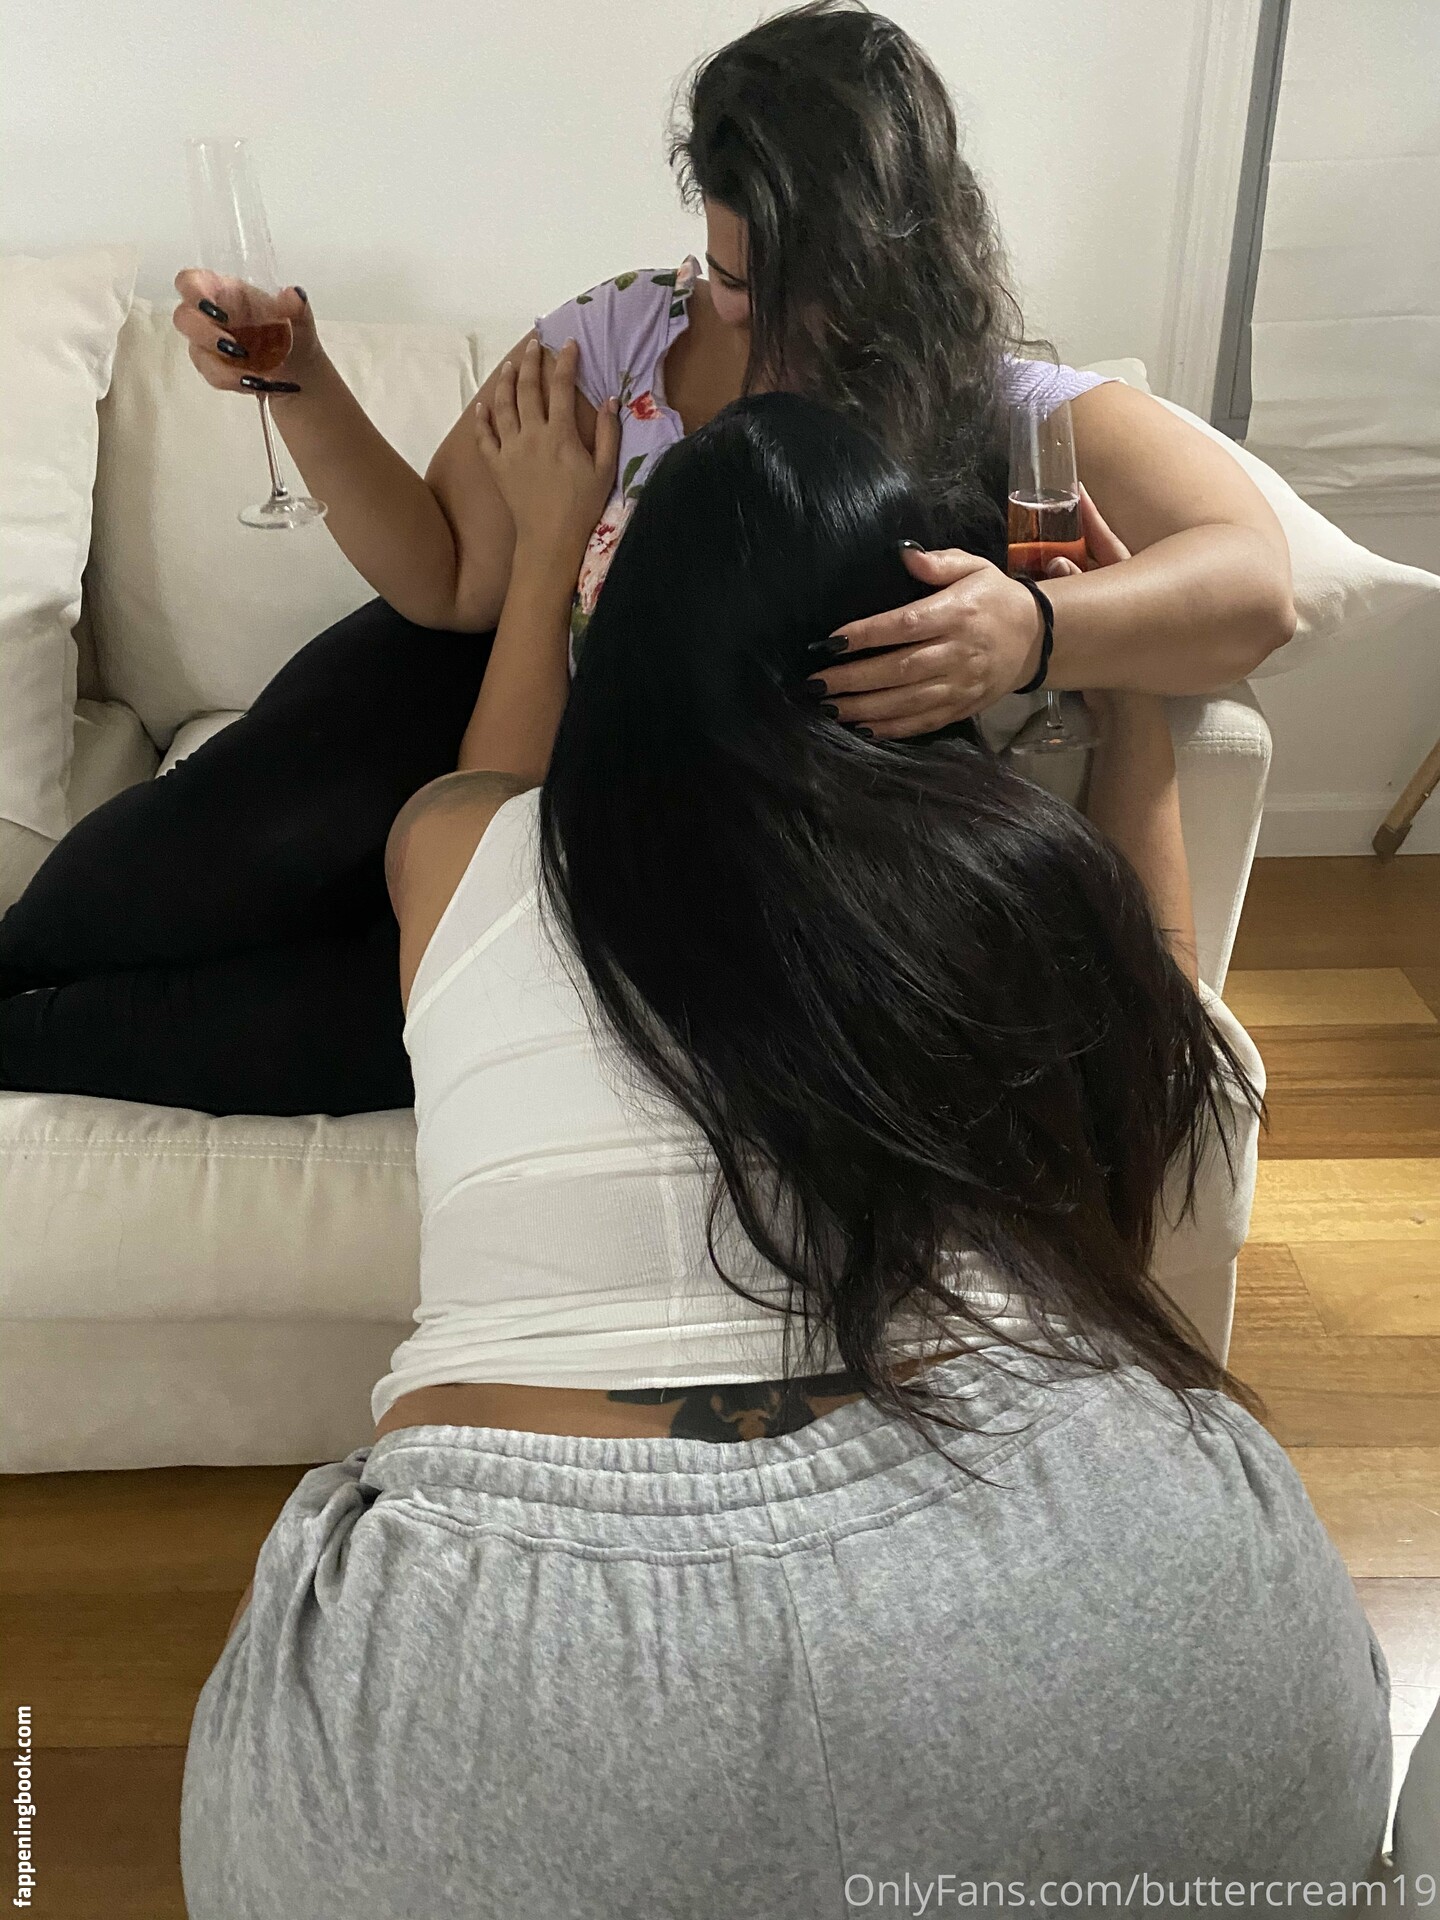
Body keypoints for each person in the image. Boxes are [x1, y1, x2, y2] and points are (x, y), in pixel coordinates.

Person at [176, 350, 1392, 1917]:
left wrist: (547, 550)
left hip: (496, 1683)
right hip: (1136, 1629)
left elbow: (497, 775)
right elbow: (1170, 1036)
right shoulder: (1014, 870)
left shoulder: (462, 853)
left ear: (630, 636)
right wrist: (1121, 698)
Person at [0, 0, 1296, 1118]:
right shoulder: (629, 331)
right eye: (732, 275)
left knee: (295, 1028)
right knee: (191, 866)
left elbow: (1256, 582)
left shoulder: (1001, 407)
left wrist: (1037, 633)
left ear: (901, 250)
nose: (754, 318)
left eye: (805, 283)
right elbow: (446, 582)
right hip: (447, 694)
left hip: (637, 823)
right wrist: (303, 382)